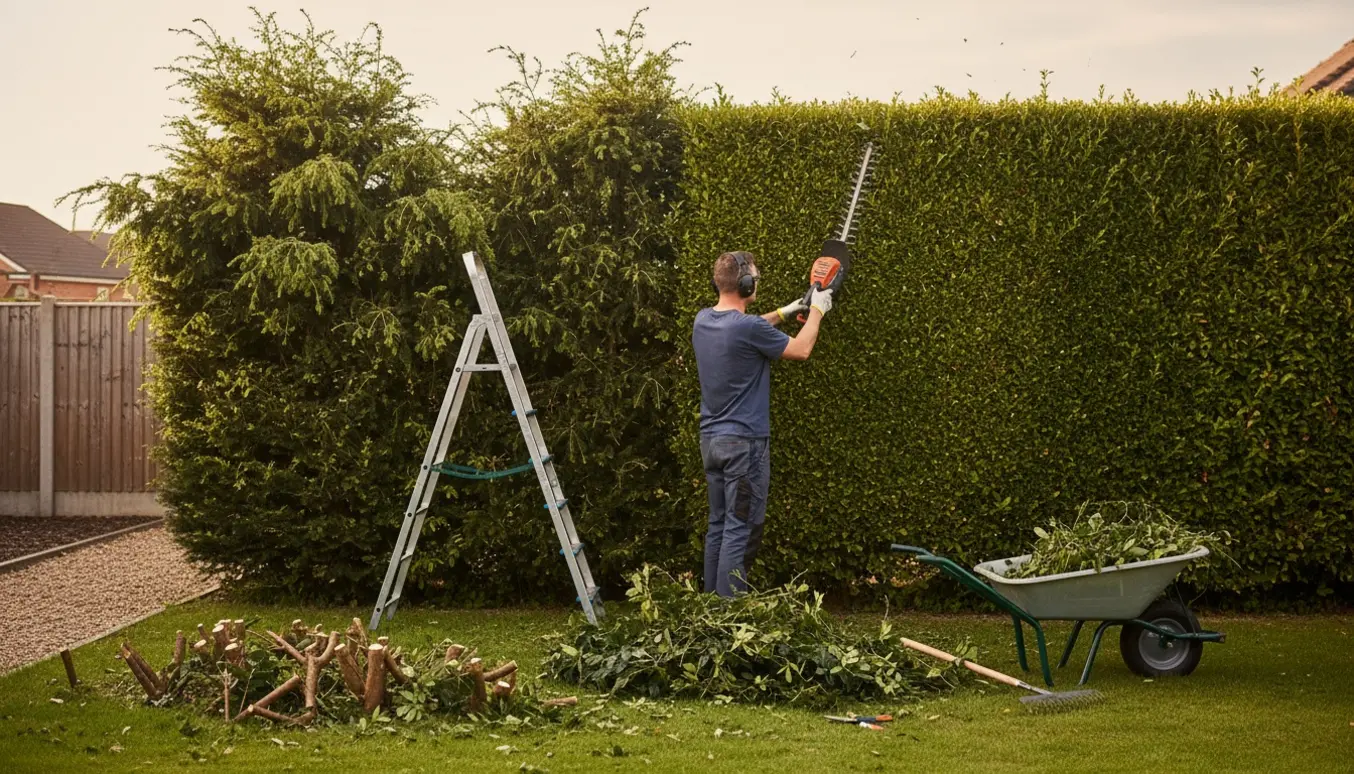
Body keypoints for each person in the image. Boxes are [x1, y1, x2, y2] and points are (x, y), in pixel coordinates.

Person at [691, 250, 833, 597]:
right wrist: (817, 310)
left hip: (712, 443)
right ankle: (729, 611)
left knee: (719, 524)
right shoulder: (749, 327)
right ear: (745, 284)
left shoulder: (703, 320)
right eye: (754, 278)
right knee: (740, 528)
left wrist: (785, 312)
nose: (756, 282)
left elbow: (748, 329)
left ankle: (709, 607)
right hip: (744, 446)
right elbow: (800, 349)